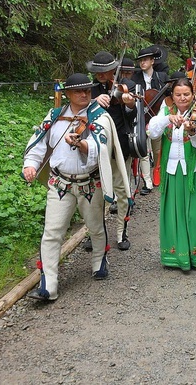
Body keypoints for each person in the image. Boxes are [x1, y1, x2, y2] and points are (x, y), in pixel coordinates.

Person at [22, 73, 130, 301]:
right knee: (52, 233)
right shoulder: (54, 115)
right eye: (78, 91)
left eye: (87, 90)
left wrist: (82, 145)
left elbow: (101, 147)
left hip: (89, 183)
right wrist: (30, 165)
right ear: (67, 94)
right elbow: (39, 143)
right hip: (59, 183)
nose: (84, 94)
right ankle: (48, 285)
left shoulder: (99, 116)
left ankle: (99, 260)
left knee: (95, 227)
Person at [147, 77, 196, 270]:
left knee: (193, 213)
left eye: (186, 94)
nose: (183, 98)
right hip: (172, 170)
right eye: (178, 94)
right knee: (173, 212)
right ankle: (176, 256)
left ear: (193, 95)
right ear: (173, 96)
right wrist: (168, 119)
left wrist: (191, 131)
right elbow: (152, 131)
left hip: (194, 170)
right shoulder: (166, 111)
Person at [87, 51, 137, 250]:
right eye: (97, 71)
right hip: (95, 147)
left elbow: (132, 113)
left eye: (105, 70)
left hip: (120, 145)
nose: (101, 74)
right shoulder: (89, 90)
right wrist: (93, 102)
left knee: (122, 189)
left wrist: (130, 103)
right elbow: (79, 112)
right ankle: (95, 233)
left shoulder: (126, 86)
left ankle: (121, 233)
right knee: (95, 193)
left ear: (113, 70)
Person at [133, 45, 171, 195]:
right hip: (141, 116)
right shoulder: (135, 79)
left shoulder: (161, 77)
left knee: (157, 149)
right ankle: (147, 181)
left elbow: (169, 95)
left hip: (157, 117)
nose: (142, 63)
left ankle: (159, 173)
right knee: (143, 149)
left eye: (145, 60)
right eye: (141, 61)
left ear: (152, 61)